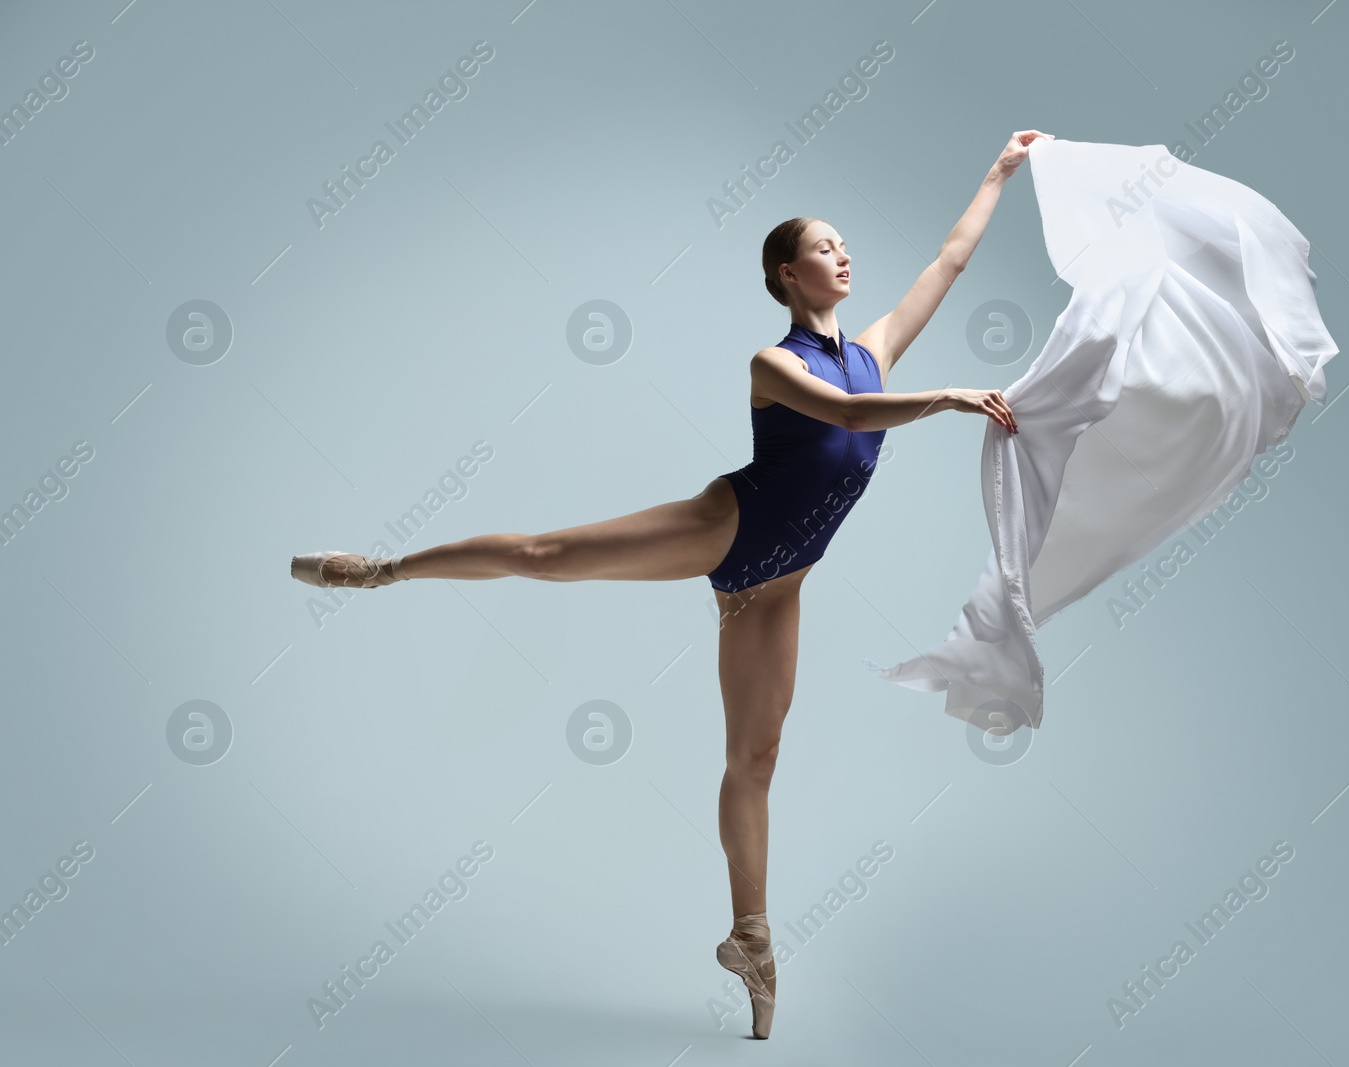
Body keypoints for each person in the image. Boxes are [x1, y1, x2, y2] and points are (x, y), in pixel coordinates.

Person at [289, 129, 1049, 1039]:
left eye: (845, 244)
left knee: (754, 762)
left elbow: (950, 260)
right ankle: (382, 570)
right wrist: (951, 397)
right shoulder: (779, 364)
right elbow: (845, 415)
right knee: (544, 555)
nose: (844, 254)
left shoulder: (876, 349)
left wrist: (1000, 172)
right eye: (823, 246)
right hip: (725, 525)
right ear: (786, 274)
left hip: (777, 587)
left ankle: (750, 937)